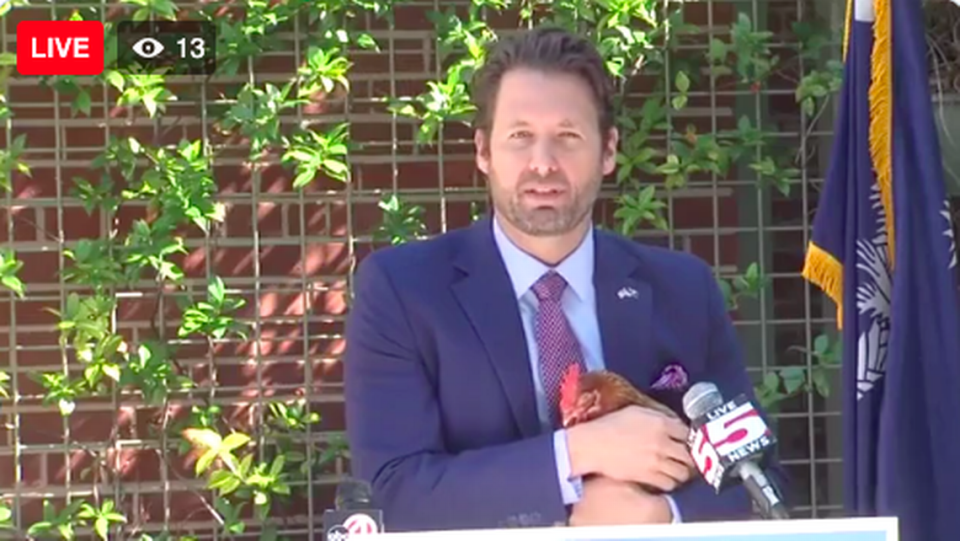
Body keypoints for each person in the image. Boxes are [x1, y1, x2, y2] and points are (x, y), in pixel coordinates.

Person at [343, 26, 786, 531]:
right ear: (484, 151)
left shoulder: (682, 288)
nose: (543, 163)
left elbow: (758, 478)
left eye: (568, 137)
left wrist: (664, 514)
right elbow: (392, 493)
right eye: (520, 136)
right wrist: (574, 455)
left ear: (608, 150)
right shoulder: (404, 292)